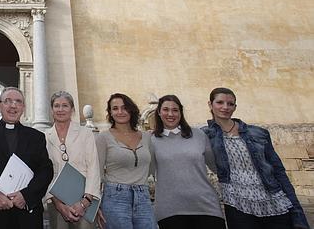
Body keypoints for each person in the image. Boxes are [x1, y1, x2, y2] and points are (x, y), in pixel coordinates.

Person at [202, 87, 310, 229]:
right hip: (236, 202)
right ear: (210, 104)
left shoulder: (258, 133)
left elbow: (278, 171)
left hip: (273, 199)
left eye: (230, 104)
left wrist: (296, 210)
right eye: (220, 102)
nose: (225, 107)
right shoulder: (204, 135)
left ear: (235, 107)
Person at [0, 87, 53, 229]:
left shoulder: (36, 137)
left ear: (23, 107)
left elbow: (45, 170)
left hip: (25, 214)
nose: (13, 106)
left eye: (18, 102)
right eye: (7, 101)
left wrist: (26, 196)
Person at [150, 94, 224, 229]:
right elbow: (143, 172)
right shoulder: (151, 141)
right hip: (170, 211)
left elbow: (217, 167)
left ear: (181, 112)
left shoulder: (199, 135)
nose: (170, 114)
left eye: (175, 110)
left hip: (207, 207)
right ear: (159, 112)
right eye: (166, 110)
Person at [95, 93, 155, 229]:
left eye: (124, 107)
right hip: (115, 197)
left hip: (143, 197)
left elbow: (151, 168)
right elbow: (97, 173)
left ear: (131, 110)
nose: (120, 112)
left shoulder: (146, 137)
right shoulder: (103, 138)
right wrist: (96, 205)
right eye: (115, 108)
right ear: (110, 112)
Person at [44, 91, 101, 229]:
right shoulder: (44, 136)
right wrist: (58, 203)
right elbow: (44, 172)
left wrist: (85, 202)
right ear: (52, 110)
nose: (60, 109)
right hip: (56, 200)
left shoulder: (85, 133)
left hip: (84, 198)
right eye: (56, 106)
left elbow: (93, 167)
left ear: (72, 109)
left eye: (65, 105)